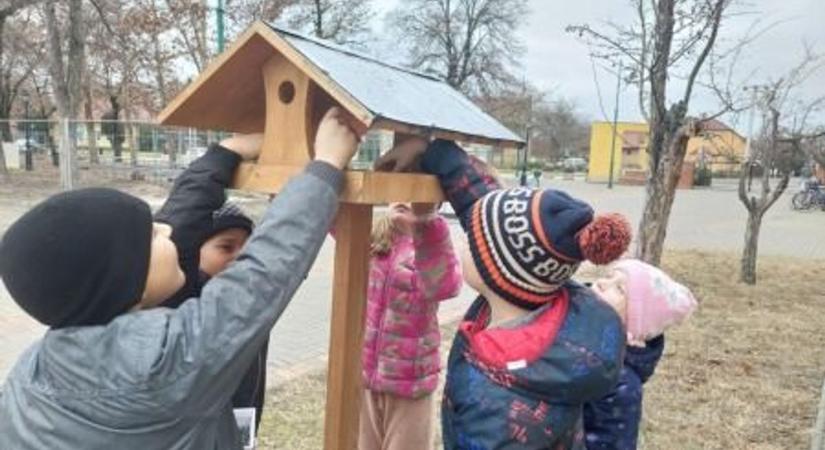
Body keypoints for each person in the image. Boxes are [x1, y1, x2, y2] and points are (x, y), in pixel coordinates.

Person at [0, 107, 360, 449]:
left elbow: (174, 227)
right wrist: (325, 167)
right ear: (124, 282)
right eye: (150, 235)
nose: (165, 229)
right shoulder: (168, 362)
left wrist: (223, 155)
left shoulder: (32, 371)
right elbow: (262, 274)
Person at [375, 138, 631, 449]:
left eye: (473, 238)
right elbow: (485, 212)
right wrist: (430, 153)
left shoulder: (501, 411)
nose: (468, 235)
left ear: (493, 271)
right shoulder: (541, 292)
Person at [154, 147, 267, 429]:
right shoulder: (179, 300)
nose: (240, 257)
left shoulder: (251, 295)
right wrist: (224, 154)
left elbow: (283, 249)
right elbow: (181, 225)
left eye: (247, 247)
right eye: (226, 247)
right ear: (193, 251)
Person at [359, 202, 462, 450]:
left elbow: (446, 285)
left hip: (409, 387)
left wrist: (425, 224)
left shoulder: (431, 246)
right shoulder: (375, 238)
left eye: (415, 196)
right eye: (400, 190)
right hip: (367, 381)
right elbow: (337, 224)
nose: (404, 199)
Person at [583, 259, 698, 450]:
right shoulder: (579, 327)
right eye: (608, 277)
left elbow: (613, 442)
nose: (601, 283)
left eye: (619, 289)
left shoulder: (621, 384)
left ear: (634, 323)